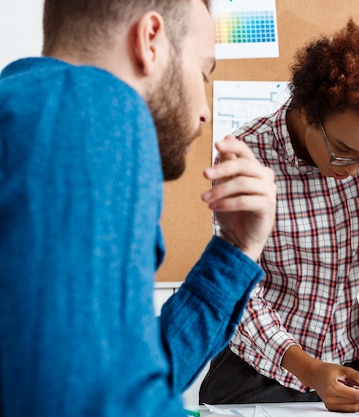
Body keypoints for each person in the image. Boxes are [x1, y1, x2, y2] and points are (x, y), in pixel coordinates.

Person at [0, 1, 277, 416]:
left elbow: (130, 377)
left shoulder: (33, 112)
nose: (204, 110)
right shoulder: (88, 105)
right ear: (150, 40)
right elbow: (89, 404)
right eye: (202, 72)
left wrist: (236, 250)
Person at [199, 18, 359, 412]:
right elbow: (238, 288)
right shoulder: (246, 154)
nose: (353, 169)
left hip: (350, 364)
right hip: (260, 368)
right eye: (343, 151)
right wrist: (309, 370)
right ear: (309, 112)